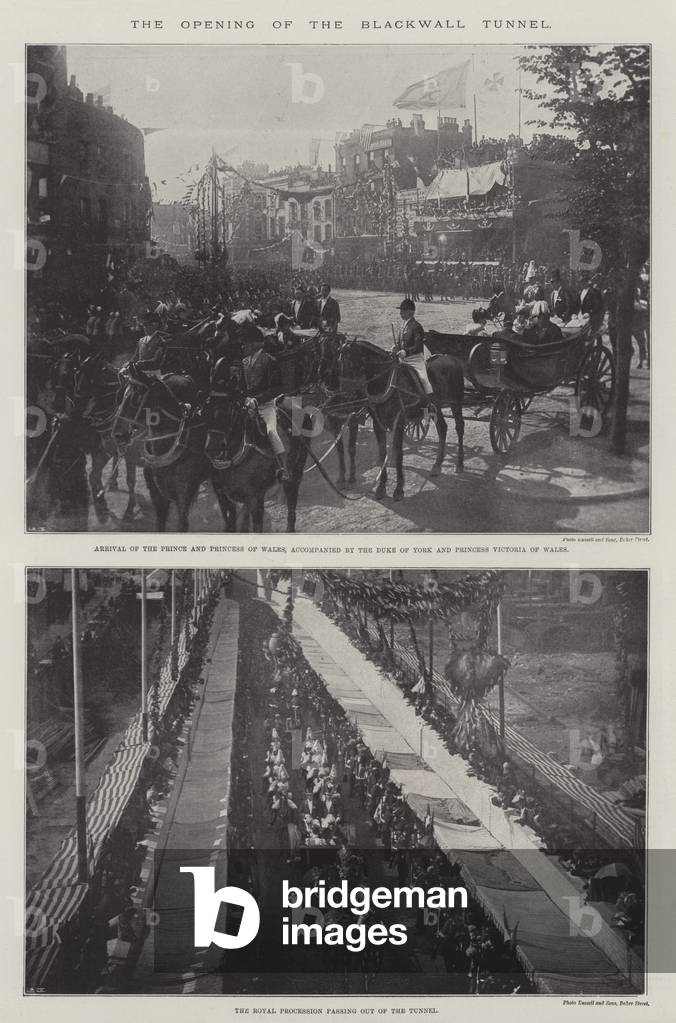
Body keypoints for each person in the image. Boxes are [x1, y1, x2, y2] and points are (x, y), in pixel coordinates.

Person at [241, 328, 289, 482]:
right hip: (248, 405)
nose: (243, 347)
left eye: (246, 344)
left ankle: (283, 467)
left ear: (254, 344)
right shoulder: (244, 362)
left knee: (270, 431)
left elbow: (277, 387)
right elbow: (244, 386)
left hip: (267, 404)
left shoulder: (269, 360)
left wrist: (258, 399)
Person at [392, 299, 433, 396]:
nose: (400, 313)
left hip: (415, 360)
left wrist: (406, 352)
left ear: (411, 312)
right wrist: (395, 347)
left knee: (423, 379)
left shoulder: (417, 326)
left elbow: (418, 346)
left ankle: (430, 402)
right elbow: (400, 342)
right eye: (401, 310)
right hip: (402, 359)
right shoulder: (402, 326)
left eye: (403, 311)